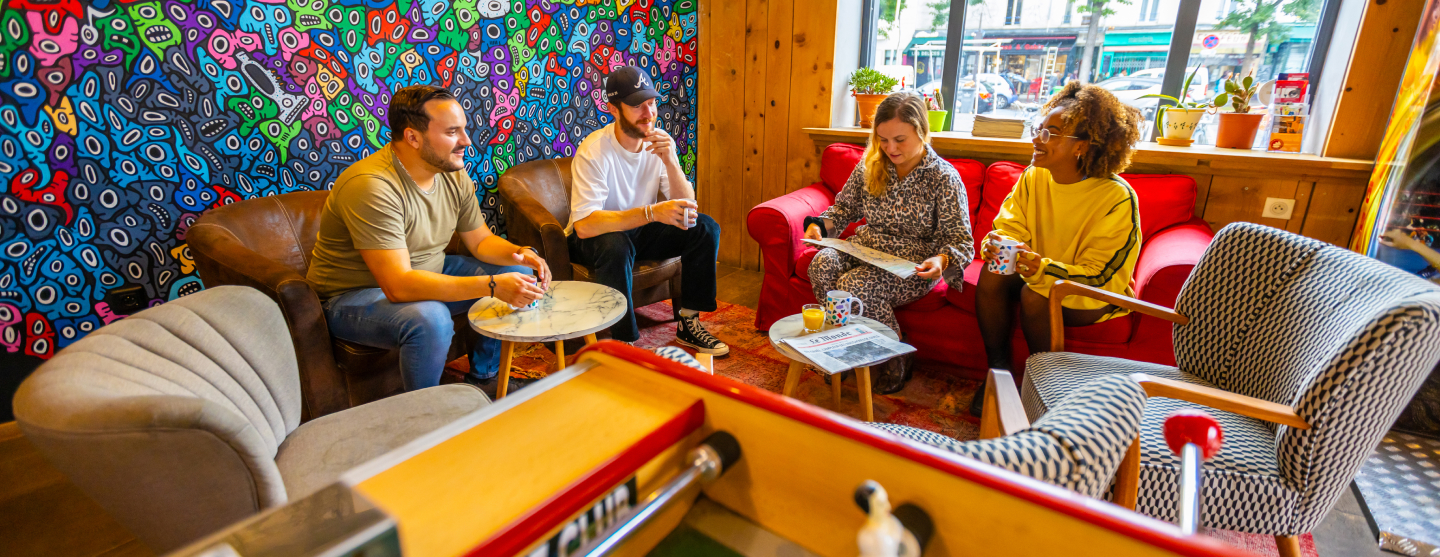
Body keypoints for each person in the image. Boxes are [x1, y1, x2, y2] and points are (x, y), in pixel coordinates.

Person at [307, 84, 552, 393]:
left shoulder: (452, 172)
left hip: (427, 271)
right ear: (413, 137)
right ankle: (426, 414)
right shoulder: (372, 186)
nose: (466, 141)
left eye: (464, 129)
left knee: (517, 272)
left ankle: (486, 377)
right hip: (352, 297)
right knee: (431, 317)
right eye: (453, 132)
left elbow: (480, 241)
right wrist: (490, 285)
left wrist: (521, 253)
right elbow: (398, 285)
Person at [972, 81, 1143, 415]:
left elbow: (1101, 275)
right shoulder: (1034, 177)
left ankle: (1047, 392)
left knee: (1036, 294)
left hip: (1093, 294)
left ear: (1082, 146)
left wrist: (1042, 270)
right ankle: (998, 373)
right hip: (1037, 273)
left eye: (1051, 133)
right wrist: (994, 245)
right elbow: (1008, 225)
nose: (1037, 139)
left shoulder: (1117, 197)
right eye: (1040, 128)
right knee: (993, 274)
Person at [803, 92, 974, 394]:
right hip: (864, 247)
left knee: (855, 284)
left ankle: (897, 354)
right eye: (882, 140)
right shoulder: (871, 164)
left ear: (922, 132)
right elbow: (844, 209)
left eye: (899, 139)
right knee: (822, 263)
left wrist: (942, 261)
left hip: (911, 265)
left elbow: (960, 240)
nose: (890, 148)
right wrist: (819, 226)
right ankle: (839, 349)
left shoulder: (944, 178)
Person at [567, 66, 727, 355]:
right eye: (637, 105)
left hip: (637, 233)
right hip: (597, 237)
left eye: (652, 102)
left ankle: (688, 322)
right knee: (616, 244)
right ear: (613, 109)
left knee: (703, 226)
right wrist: (653, 213)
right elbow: (585, 225)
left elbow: (687, 205)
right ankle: (624, 340)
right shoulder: (593, 151)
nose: (648, 112)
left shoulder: (660, 142)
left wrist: (671, 162)